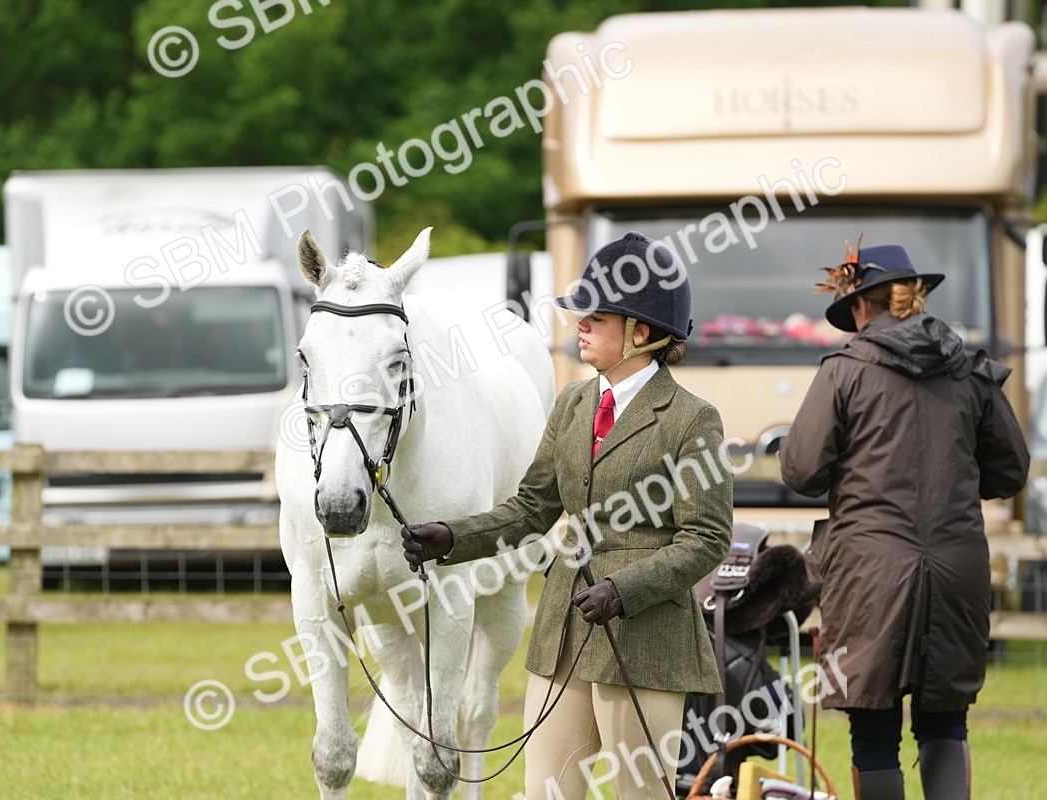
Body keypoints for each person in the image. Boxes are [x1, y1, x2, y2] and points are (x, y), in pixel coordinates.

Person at [402, 232, 733, 799]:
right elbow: (531, 508)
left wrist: (624, 589)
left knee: (639, 793)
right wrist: (452, 538)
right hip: (564, 629)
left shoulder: (691, 419)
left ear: (642, 333)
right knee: (547, 792)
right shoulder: (574, 403)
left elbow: (705, 537)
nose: (577, 325)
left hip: (645, 637)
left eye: (594, 318)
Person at [779, 242, 1029, 800]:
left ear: (865, 306)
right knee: (945, 722)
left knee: (873, 729)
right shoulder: (971, 370)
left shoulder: (844, 371)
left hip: (870, 572)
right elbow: (1011, 471)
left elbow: (800, 470)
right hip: (958, 568)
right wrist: (952, 487)